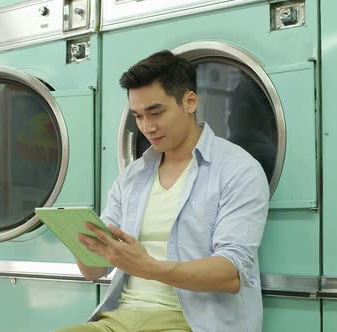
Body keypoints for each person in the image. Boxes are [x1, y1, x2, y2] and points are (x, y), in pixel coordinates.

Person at [57, 50, 269, 332]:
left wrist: (148, 267)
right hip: (119, 318)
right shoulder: (132, 177)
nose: (147, 127)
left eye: (156, 113)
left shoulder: (238, 170)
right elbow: (95, 272)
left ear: (190, 101)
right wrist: (83, 245)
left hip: (193, 322)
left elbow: (231, 273)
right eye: (138, 116)